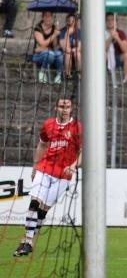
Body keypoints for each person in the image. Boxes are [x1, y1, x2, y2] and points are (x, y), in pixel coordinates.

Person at [13, 97, 82, 257]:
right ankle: (26, 242)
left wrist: (73, 166)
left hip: (63, 175)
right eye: (61, 107)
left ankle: (29, 240)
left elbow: (82, 151)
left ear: (71, 108)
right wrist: (35, 165)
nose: (64, 110)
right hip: (45, 168)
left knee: (43, 210)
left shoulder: (77, 128)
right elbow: (42, 144)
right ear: (55, 107)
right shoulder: (48, 124)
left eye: (67, 107)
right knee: (35, 202)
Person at [32, 11, 64, 84]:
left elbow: (55, 45)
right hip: (38, 55)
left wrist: (56, 33)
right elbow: (43, 44)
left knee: (59, 54)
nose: (48, 18)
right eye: (46, 16)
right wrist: (54, 35)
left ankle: (58, 75)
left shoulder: (53, 27)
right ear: (42, 17)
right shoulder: (38, 28)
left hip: (50, 51)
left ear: (52, 17)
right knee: (50, 54)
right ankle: (42, 72)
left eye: (50, 16)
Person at [105, 12, 127, 84]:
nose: (110, 22)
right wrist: (110, 38)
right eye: (108, 20)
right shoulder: (102, 32)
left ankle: (125, 79)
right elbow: (103, 48)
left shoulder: (120, 33)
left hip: (117, 57)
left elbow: (125, 49)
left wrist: (117, 38)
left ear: (115, 22)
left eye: (112, 20)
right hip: (106, 57)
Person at [58, 13, 82, 79]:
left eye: (73, 21)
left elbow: (79, 47)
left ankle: (79, 73)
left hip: (75, 52)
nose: (71, 23)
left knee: (78, 54)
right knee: (68, 54)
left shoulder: (79, 31)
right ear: (66, 21)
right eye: (69, 21)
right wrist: (67, 34)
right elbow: (64, 48)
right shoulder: (62, 31)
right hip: (65, 52)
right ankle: (68, 75)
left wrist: (72, 50)